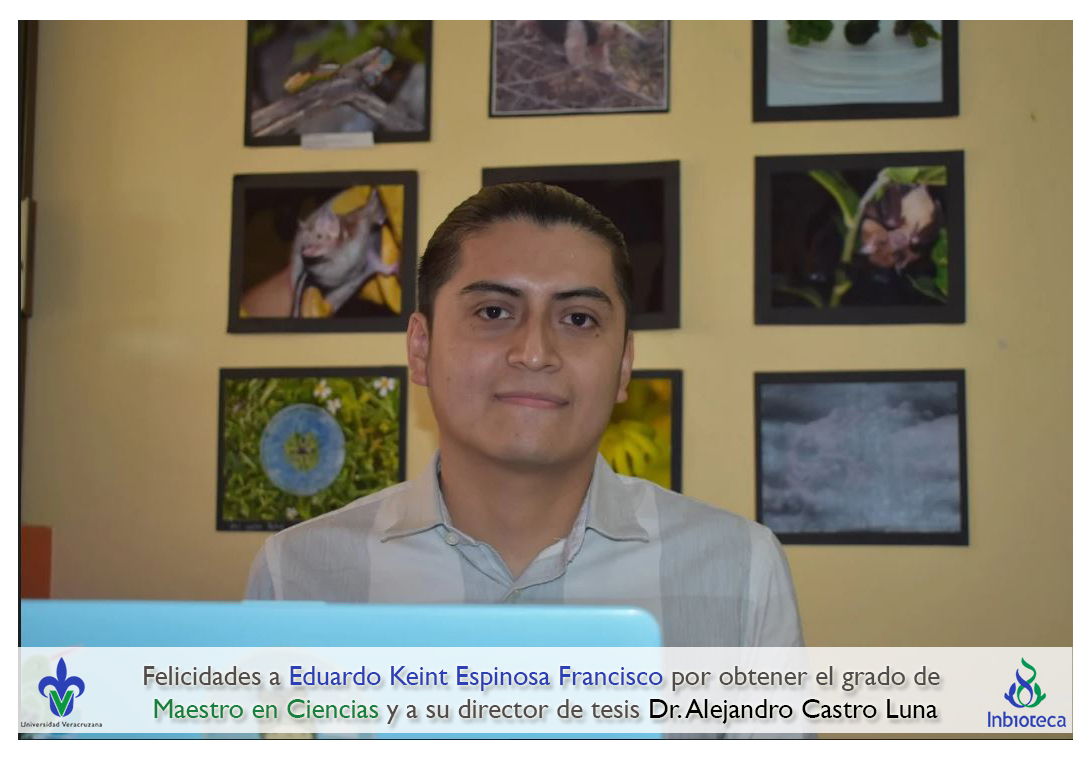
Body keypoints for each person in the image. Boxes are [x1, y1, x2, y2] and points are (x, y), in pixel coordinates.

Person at [245, 181, 804, 651]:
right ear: (421, 347)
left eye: (579, 319)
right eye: (493, 311)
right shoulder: (297, 576)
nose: (535, 353)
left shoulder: (741, 573)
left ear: (623, 364)